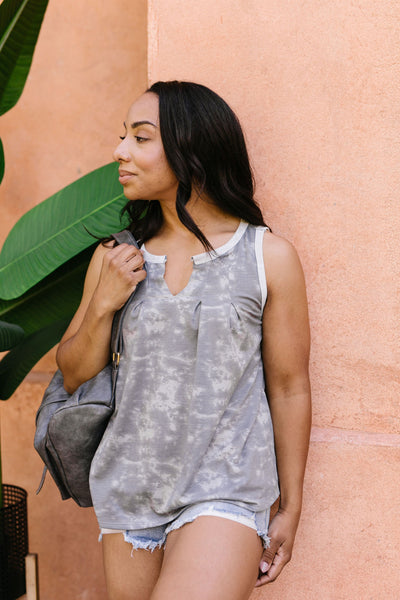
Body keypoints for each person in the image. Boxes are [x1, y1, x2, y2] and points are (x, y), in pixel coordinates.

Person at [56, 81, 311, 600]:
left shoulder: (267, 258)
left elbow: (289, 387)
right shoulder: (115, 258)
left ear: (189, 148)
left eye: (140, 138)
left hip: (226, 490)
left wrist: (291, 506)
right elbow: (74, 371)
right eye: (122, 136)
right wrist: (105, 299)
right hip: (129, 489)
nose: (119, 151)